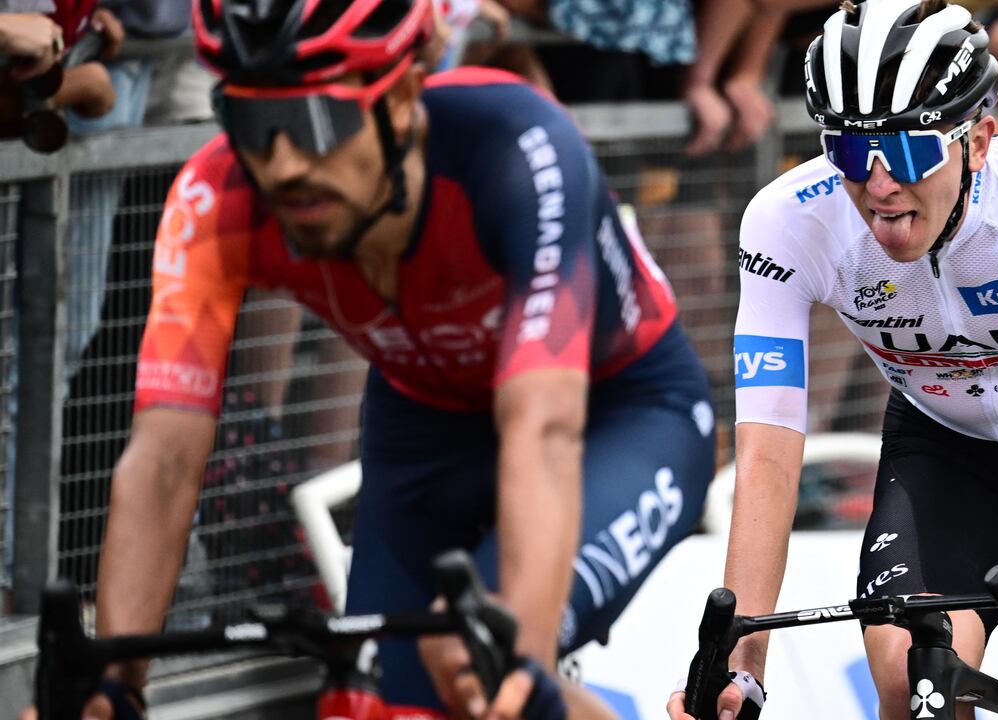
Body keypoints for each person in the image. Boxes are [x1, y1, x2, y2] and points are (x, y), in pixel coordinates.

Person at [22, 0, 716, 718]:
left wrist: (523, 657)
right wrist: (116, 684)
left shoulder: (517, 145)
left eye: (320, 120)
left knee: (479, 662)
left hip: (619, 412)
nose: (283, 163)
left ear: (406, 98)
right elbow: (164, 458)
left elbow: (542, 427)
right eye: (252, 126)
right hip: (426, 428)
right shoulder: (218, 196)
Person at [667, 0, 998, 718]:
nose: (881, 185)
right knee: (912, 679)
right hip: (947, 455)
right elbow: (766, 458)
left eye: (913, 151)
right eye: (852, 152)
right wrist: (744, 665)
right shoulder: (786, 223)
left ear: (979, 141)